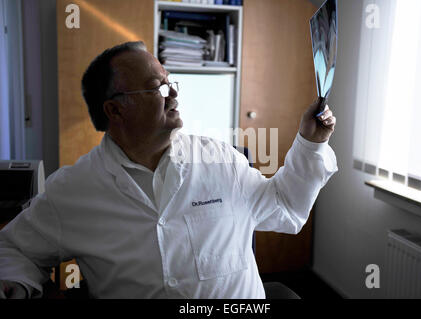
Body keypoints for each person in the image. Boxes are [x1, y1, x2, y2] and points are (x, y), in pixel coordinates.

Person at [0, 41, 337, 299]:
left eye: (170, 82)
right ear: (115, 110)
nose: (173, 92)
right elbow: (12, 247)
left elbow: (286, 208)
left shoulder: (220, 160)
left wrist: (310, 143)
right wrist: (17, 282)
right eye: (156, 87)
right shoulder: (75, 191)